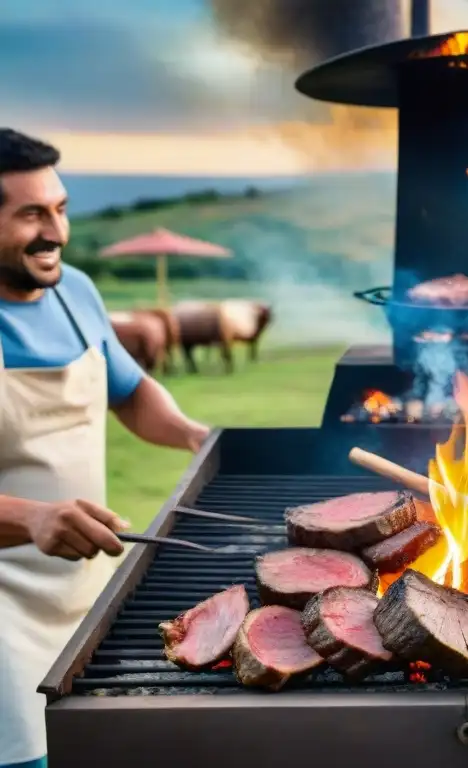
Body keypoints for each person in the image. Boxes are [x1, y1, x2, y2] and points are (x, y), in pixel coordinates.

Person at [0, 129, 210, 768]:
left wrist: (197, 436)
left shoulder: (76, 293)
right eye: (30, 214)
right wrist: (33, 517)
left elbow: (131, 390)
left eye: (59, 209)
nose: (55, 233)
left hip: (85, 592)